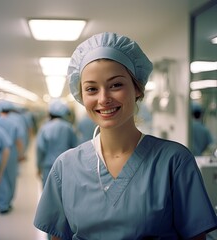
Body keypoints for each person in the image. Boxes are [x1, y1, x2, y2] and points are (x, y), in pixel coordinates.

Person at [34, 32, 217, 240]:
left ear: (137, 88)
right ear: (82, 96)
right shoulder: (65, 167)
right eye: (92, 89)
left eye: (116, 85)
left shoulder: (174, 161)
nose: (103, 99)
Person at [36, 99, 77, 187]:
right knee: (65, 192)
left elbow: (40, 148)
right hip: (66, 165)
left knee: (48, 192)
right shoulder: (69, 128)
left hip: (48, 166)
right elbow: (76, 147)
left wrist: (39, 166)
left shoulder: (44, 128)